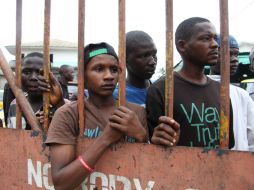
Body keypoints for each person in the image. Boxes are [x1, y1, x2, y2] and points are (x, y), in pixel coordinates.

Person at [46, 42, 148, 190]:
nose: (109, 76)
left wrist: (142, 136)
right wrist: (106, 138)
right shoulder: (68, 114)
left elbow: (149, 167)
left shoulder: (136, 112)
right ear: (83, 76)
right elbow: (62, 183)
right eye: (99, 69)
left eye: (114, 69)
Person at [146, 17, 235, 149]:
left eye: (215, 38)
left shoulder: (221, 90)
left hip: (218, 168)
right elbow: (155, 147)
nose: (215, 44)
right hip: (178, 168)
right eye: (206, 38)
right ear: (182, 46)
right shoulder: (162, 89)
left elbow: (228, 144)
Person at [210, 34, 254, 151]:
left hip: (240, 164)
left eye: (236, 54)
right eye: (228, 54)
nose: (234, 59)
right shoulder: (197, 89)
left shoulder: (242, 95)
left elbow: (252, 139)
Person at [7, 52, 64, 129]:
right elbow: (12, 137)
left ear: (50, 76)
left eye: (40, 73)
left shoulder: (63, 105)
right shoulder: (15, 104)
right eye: (27, 72)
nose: (33, 77)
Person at [113, 30, 157, 106]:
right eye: (145, 56)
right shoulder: (116, 96)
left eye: (154, 54)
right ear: (124, 60)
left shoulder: (162, 89)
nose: (153, 62)